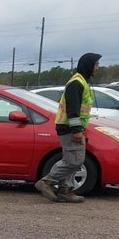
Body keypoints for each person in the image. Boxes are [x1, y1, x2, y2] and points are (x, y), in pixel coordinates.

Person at [35, 52, 101, 203]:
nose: (97, 68)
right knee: (75, 161)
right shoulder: (76, 83)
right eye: (96, 64)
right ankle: (46, 182)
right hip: (69, 127)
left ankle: (66, 190)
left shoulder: (82, 81)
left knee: (70, 159)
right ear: (89, 65)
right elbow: (73, 108)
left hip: (71, 127)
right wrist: (77, 130)